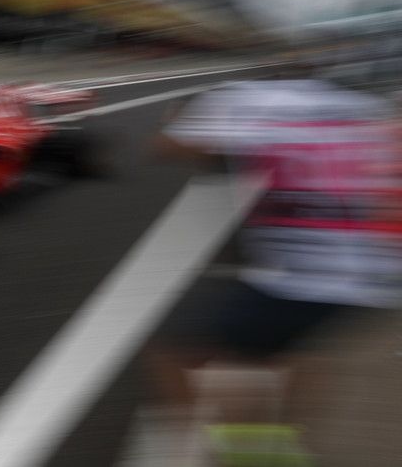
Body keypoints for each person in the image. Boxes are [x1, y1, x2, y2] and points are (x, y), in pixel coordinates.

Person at [146, 73, 402, 465]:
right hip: (366, 272)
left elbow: (169, 146)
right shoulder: (363, 107)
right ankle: (269, 447)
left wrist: (180, 120)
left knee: (177, 349)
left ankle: (226, 450)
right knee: (287, 351)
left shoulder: (251, 98)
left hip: (301, 276)